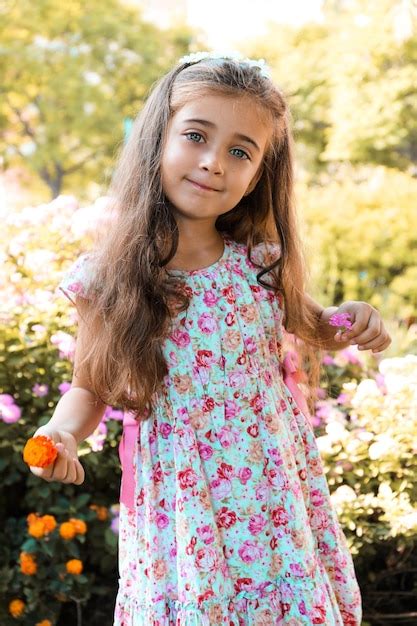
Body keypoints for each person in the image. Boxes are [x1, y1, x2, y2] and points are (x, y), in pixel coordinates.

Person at [28, 51, 391, 625]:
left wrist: (356, 318)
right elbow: (90, 387)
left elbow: (320, 326)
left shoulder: (260, 265)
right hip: (184, 500)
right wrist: (61, 431)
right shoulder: (112, 279)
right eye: (196, 135)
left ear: (258, 176)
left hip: (271, 490)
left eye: (240, 151)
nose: (213, 162)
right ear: (159, 139)